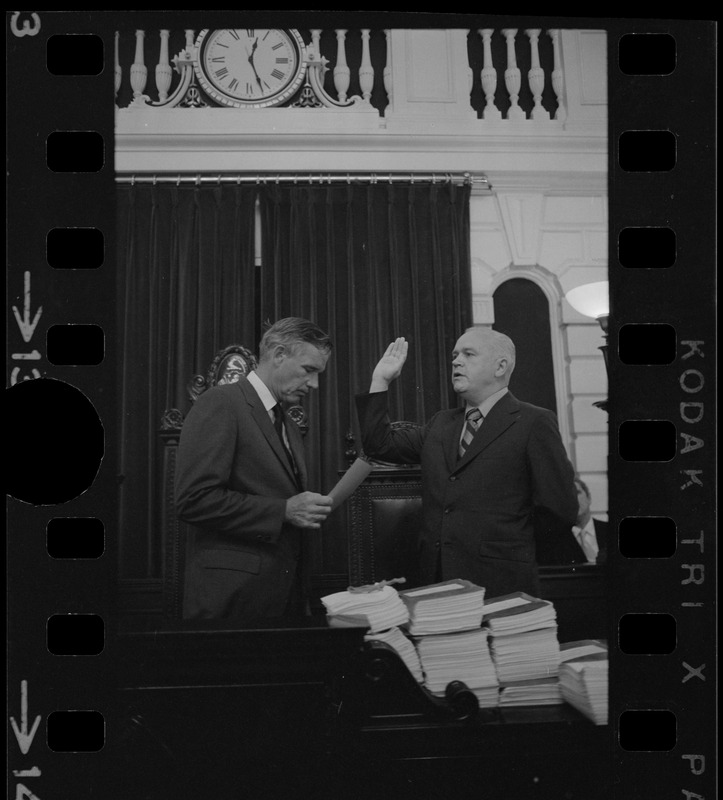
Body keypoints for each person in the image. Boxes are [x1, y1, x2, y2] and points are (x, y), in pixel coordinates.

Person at [355, 328, 579, 599]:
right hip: (435, 581)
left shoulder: (533, 422)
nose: (456, 361)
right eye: (455, 355)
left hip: (502, 583)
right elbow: (379, 444)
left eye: (468, 354)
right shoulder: (440, 423)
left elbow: (559, 508)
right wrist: (380, 379)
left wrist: (514, 550)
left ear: (500, 366)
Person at [175, 317, 334, 620]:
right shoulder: (220, 402)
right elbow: (193, 500)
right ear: (278, 355)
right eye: (309, 370)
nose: (314, 384)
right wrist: (284, 511)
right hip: (231, 602)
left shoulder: (287, 422)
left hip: (283, 599)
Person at [534, 476, 608, 566]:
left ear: (589, 498)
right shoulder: (554, 541)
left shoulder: (611, 530)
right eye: (568, 495)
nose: (574, 499)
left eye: (577, 492)